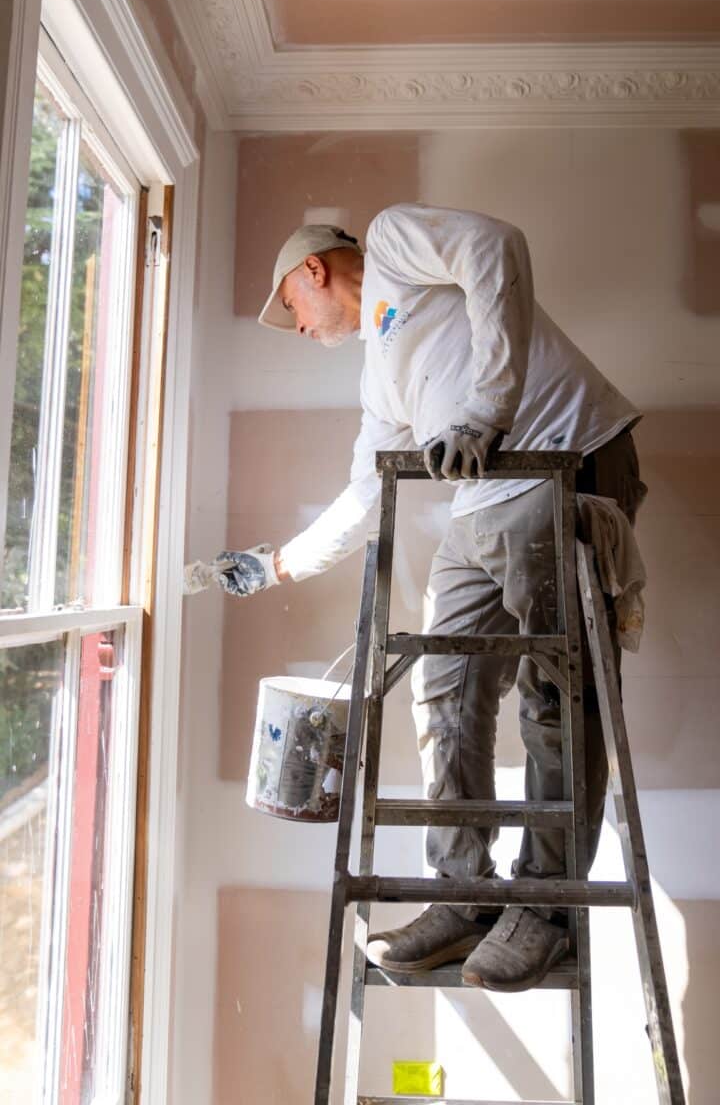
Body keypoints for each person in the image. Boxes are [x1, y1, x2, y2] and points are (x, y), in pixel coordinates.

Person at [216, 202, 646, 991]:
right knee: (442, 688)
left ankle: (547, 908)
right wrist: (279, 566)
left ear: (314, 269)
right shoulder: (381, 372)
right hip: (484, 500)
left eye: (292, 309)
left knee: (556, 694)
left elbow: (496, 244)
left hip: (566, 457)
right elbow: (360, 490)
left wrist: (488, 408)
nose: (299, 328)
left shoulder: (391, 246)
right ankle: (464, 895)